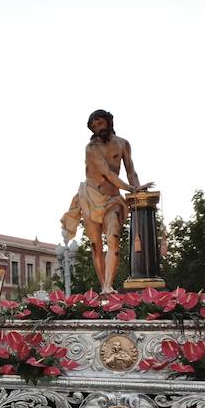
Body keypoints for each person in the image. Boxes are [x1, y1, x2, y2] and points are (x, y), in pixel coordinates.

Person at [60, 109, 149, 293]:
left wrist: (137, 191)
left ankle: (109, 285)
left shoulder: (123, 144)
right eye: (94, 126)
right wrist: (131, 189)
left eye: (100, 123)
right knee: (95, 245)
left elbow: (130, 171)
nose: (98, 128)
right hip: (91, 197)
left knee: (114, 236)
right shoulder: (91, 148)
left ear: (109, 122)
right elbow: (107, 174)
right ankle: (104, 287)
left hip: (112, 199)